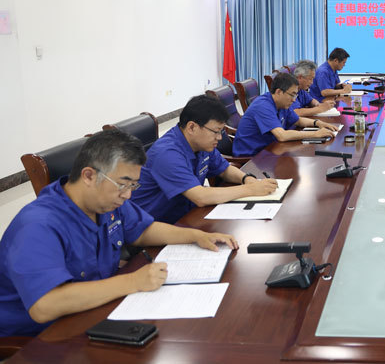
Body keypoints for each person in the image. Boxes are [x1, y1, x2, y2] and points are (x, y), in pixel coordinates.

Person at [0, 130, 238, 337]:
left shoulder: (106, 201)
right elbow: (44, 306)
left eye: (133, 185)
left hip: (94, 310)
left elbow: (143, 229)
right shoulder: (38, 225)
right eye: (123, 184)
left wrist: (195, 236)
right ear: (89, 175)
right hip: (42, 337)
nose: (128, 195)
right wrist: (133, 281)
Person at [131, 95, 278, 224]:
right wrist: (250, 189)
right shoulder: (167, 153)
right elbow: (200, 197)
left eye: (221, 132)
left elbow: (224, 169)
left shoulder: (201, 144)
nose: (219, 138)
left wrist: (247, 179)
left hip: (187, 214)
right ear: (192, 127)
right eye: (216, 132)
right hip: (153, 228)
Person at [233, 72, 338, 156]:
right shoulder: (263, 106)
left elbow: (298, 120)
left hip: (271, 149)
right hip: (252, 157)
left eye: (295, 95)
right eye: (292, 95)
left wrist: (318, 123)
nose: (294, 100)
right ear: (279, 92)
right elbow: (282, 135)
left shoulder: (281, 103)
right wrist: (315, 134)